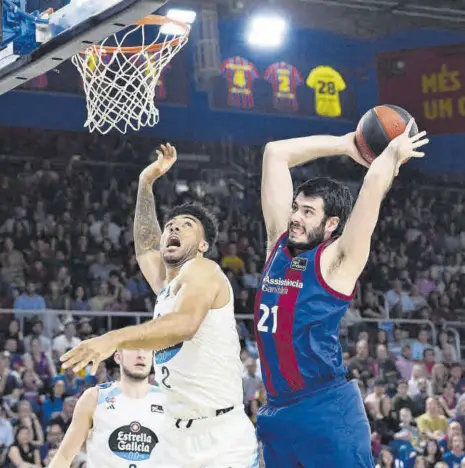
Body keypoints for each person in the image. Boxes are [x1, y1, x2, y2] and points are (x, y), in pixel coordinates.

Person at [60, 143, 258, 467]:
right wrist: (145, 183)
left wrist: (112, 339)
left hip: (217, 436)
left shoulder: (205, 271)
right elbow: (145, 247)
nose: (173, 228)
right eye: (170, 225)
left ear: (204, 245)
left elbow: (184, 325)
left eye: (186, 225)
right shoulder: (167, 287)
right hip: (175, 436)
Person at [254, 120, 428, 467]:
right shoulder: (278, 243)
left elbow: (372, 187)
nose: (296, 218)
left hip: (326, 410)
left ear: (331, 224)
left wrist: (390, 156)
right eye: (295, 208)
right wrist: (347, 144)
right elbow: (275, 153)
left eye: (308, 212)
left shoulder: (338, 260)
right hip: (277, 411)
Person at [49, 349, 164, 468]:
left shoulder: (167, 401)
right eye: (133, 348)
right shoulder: (95, 397)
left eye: (146, 350)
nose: (141, 355)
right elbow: (65, 456)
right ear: (118, 357)